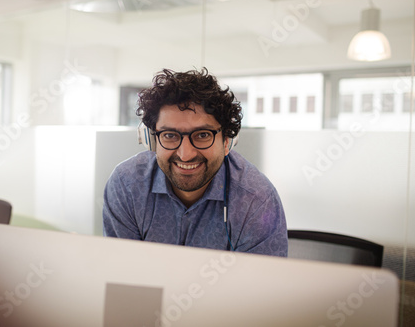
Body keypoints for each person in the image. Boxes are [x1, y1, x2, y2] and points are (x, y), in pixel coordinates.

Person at [103, 68, 287, 256]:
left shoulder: (256, 200)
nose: (185, 155)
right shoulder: (127, 186)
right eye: (169, 135)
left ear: (227, 142)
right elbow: (123, 273)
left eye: (202, 135)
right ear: (152, 140)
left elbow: (259, 284)